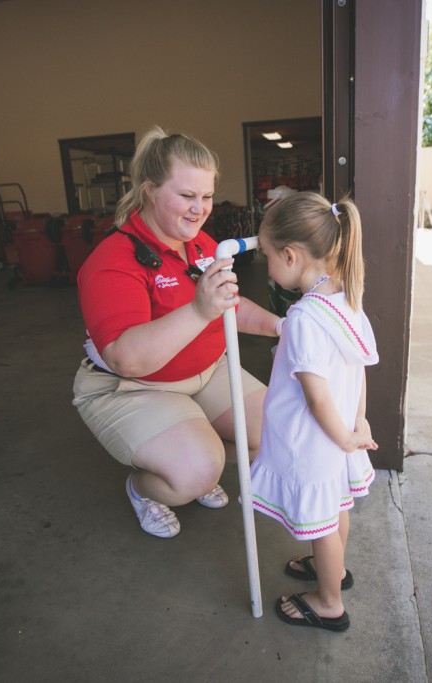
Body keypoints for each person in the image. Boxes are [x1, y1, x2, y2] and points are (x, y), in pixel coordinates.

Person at [73, 126, 281, 539]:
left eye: (206, 196)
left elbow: (230, 306)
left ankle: (197, 458)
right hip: (133, 386)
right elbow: (124, 357)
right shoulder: (113, 260)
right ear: (150, 191)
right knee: (197, 471)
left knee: (276, 428)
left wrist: (283, 327)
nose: (199, 209)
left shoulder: (201, 243)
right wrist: (200, 310)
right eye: (186, 196)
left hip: (206, 371)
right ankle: (149, 486)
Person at [248, 192, 379, 632]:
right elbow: (357, 372)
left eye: (267, 255)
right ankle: (334, 571)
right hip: (338, 434)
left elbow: (315, 394)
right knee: (335, 506)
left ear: (290, 255)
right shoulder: (348, 301)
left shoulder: (304, 316)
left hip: (313, 440)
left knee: (322, 522)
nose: (266, 265)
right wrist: (356, 424)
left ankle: (328, 601)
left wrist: (343, 436)